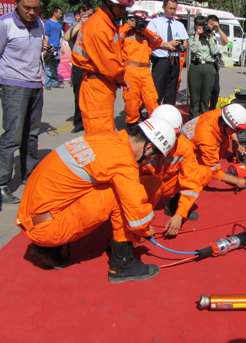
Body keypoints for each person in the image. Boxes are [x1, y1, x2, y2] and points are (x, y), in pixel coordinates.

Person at [16, 117, 176, 283]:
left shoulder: (107, 139)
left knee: (122, 186)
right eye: (155, 156)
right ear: (148, 147)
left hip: (35, 217)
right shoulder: (123, 162)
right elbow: (136, 214)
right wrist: (145, 229)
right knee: (124, 194)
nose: (151, 161)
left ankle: (50, 249)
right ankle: (123, 264)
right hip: (46, 227)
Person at [0, 0, 49, 204]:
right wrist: (7, 79)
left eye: (36, 8)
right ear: (16, 4)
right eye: (26, 8)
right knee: (12, 136)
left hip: (35, 86)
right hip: (14, 88)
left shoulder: (40, 23)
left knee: (31, 135)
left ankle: (29, 175)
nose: (32, 12)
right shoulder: (3, 25)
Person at [72, 0, 136, 133]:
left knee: (105, 134)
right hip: (97, 89)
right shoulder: (99, 28)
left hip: (102, 86)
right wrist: (122, 78)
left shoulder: (107, 24)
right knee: (101, 139)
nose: (123, 10)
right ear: (107, 2)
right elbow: (111, 68)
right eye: (120, 5)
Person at [141, 105, 212, 236]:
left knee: (203, 173)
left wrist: (180, 215)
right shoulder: (140, 145)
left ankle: (174, 207)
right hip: (144, 188)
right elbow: (128, 184)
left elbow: (191, 181)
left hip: (165, 185)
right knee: (152, 182)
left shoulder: (184, 147)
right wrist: (142, 222)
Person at [182, 104, 246, 189]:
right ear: (224, 124)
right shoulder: (207, 139)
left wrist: (237, 144)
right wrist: (236, 181)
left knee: (226, 138)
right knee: (205, 172)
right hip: (183, 155)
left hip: (194, 140)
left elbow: (232, 127)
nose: (237, 132)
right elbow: (212, 169)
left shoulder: (220, 114)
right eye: (236, 130)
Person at [120, 5, 163, 129]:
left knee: (151, 98)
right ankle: (132, 123)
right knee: (132, 99)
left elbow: (158, 41)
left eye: (143, 21)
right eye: (137, 20)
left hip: (145, 70)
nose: (140, 23)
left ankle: (155, 121)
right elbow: (114, 41)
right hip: (130, 69)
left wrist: (144, 30)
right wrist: (127, 26)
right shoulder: (124, 33)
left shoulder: (146, 35)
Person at [147, 0, 189, 105]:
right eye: (170, 8)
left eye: (174, 9)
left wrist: (182, 46)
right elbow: (151, 41)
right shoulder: (155, 23)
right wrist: (167, 45)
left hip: (174, 60)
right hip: (160, 61)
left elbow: (185, 42)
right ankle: (154, 114)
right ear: (163, 7)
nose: (172, 11)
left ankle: (168, 114)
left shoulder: (179, 25)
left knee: (171, 91)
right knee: (157, 90)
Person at [64, 2, 94, 133]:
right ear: (78, 16)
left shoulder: (96, 25)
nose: (88, 18)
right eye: (84, 15)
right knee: (78, 94)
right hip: (78, 65)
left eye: (90, 15)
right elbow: (66, 37)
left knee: (92, 95)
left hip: (92, 65)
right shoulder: (75, 25)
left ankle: (90, 120)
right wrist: (81, 24)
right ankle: (78, 122)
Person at [187, 16, 218, 118]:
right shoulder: (192, 38)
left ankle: (204, 118)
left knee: (206, 96)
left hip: (208, 67)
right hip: (196, 66)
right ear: (195, 26)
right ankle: (193, 118)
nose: (201, 27)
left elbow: (214, 51)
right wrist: (196, 35)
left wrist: (209, 37)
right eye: (198, 25)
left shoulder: (211, 37)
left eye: (203, 25)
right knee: (194, 95)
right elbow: (194, 50)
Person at [208, 14, 229, 110]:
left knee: (215, 89)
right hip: (204, 63)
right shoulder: (203, 33)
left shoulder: (216, 35)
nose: (212, 26)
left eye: (214, 24)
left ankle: (212, 108)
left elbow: (225, 41)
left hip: (214, 64)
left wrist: (219, 29)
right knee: (205, 90)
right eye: (210, 24)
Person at [43, 7, 64, 90]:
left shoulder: (59, 24)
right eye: (59, 13)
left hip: (57, 48)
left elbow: (60, 38)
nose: (60, 15)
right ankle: (47, 83)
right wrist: (46, 46)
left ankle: (55, 83)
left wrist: (62, 47)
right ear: (54, 13)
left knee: (55, 66)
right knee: (48, 66)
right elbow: (46, 35)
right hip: (50, 48)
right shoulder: (47, 23)